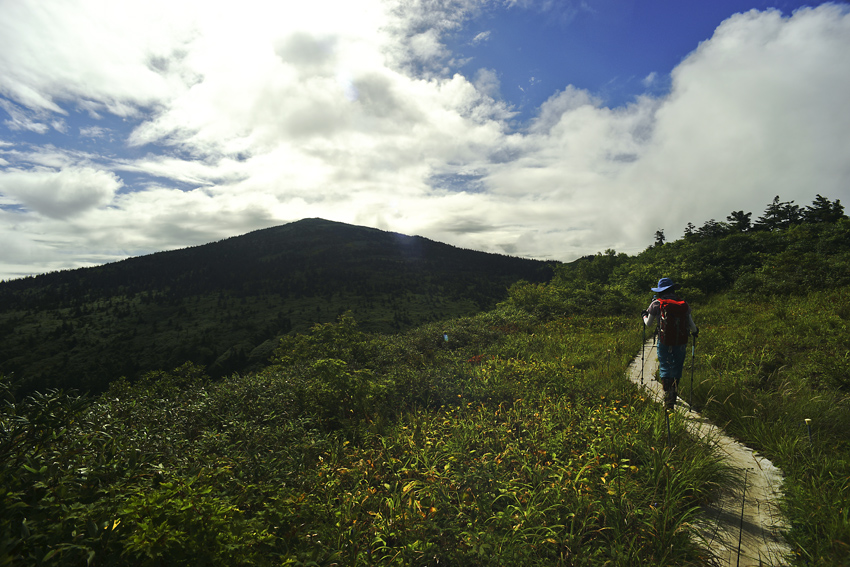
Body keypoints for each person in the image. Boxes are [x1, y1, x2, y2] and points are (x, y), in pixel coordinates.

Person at [642, 277, 698, 410]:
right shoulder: (683, 303)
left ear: (660, 291)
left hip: (664, 340)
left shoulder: (656, 303)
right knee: (677, 367)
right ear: (673, 289)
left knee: (665, 367)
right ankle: (674, 393)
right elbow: (692, 326)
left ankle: (668, 397)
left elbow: (649, 324)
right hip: (681, 341)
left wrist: (644, 315)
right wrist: (695, 331)